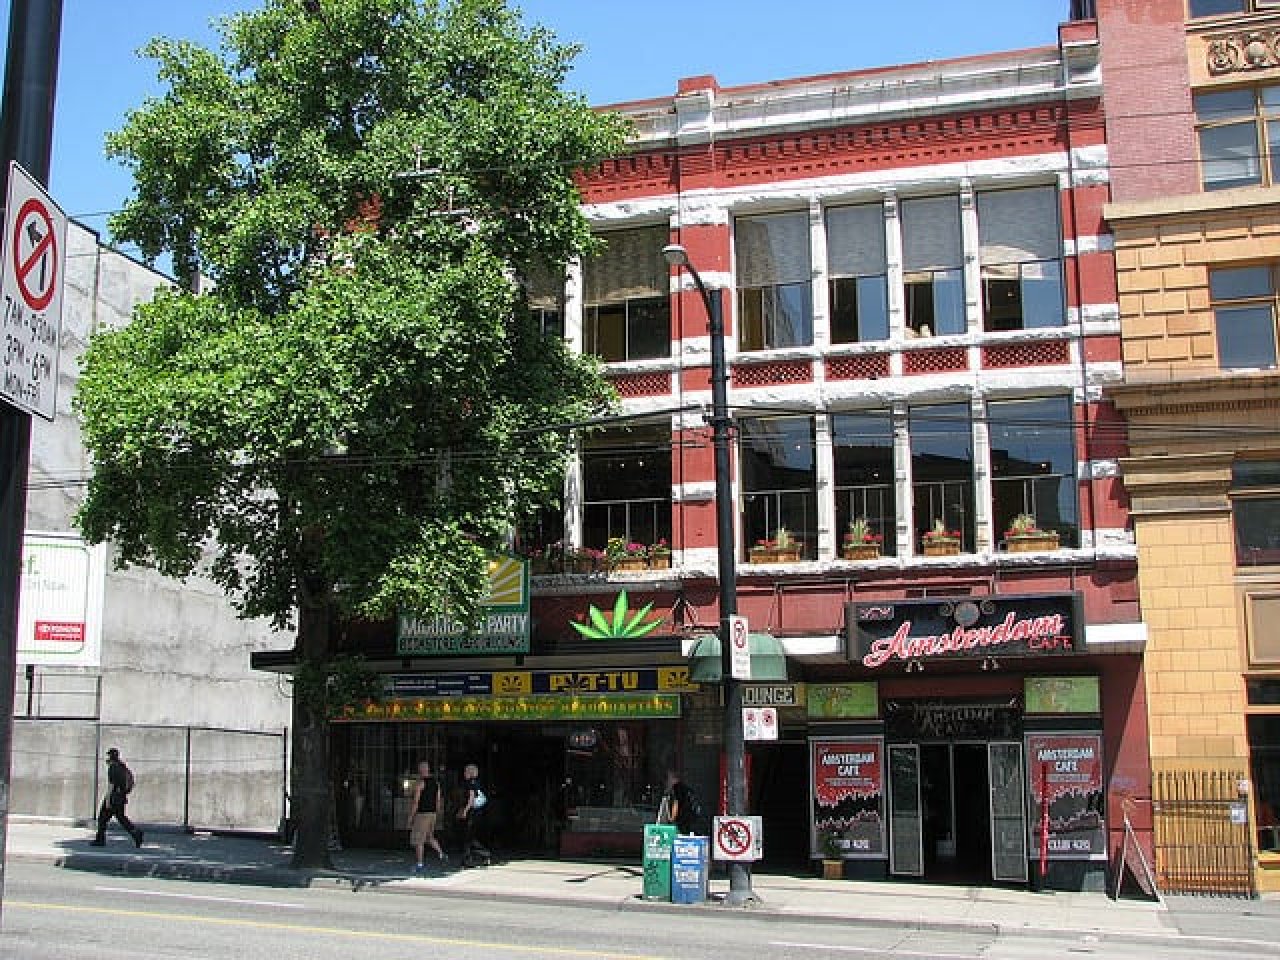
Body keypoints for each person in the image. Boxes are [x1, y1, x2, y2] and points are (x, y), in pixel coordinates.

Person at [92, 747, 142, 848]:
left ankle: (100, 840)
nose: (107, 758)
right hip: (121, 797)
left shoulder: (113, 767)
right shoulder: (122, 766)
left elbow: (111, 785)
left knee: (102, 818)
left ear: (111, 757)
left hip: (113, 797)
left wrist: (107, 800)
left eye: (108, 756)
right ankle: (136, 833)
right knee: (121, 818)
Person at [407, 760, 446, 873]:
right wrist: (436, 813)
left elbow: (416, 802)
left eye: (420, 769)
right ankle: (441, 854)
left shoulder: (420, 783)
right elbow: (438, 800)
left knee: (418, 840)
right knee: (429, 837)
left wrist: (411, 817)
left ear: (421, 770)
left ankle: (420, 864)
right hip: (432, 814)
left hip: (422, 814)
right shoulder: (436, 783)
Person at [455, 762, 491, 866]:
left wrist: (465, 811)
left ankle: (480, 855)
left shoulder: (470, 783)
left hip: (472, 813)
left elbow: (470, 799)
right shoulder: (476, 782)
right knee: (468, 836)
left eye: (465, 771)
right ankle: (470, 859)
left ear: (470, 773)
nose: (464, 773)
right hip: (476, 812)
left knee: (468, 836)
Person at [664, 769, 698, 835]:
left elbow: (676, 803)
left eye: (668, 778)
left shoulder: (676, 788)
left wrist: (671, 818)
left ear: (672, 778)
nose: (667, 781)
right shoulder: (685, 788)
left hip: (682, 820)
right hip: (689, 819)